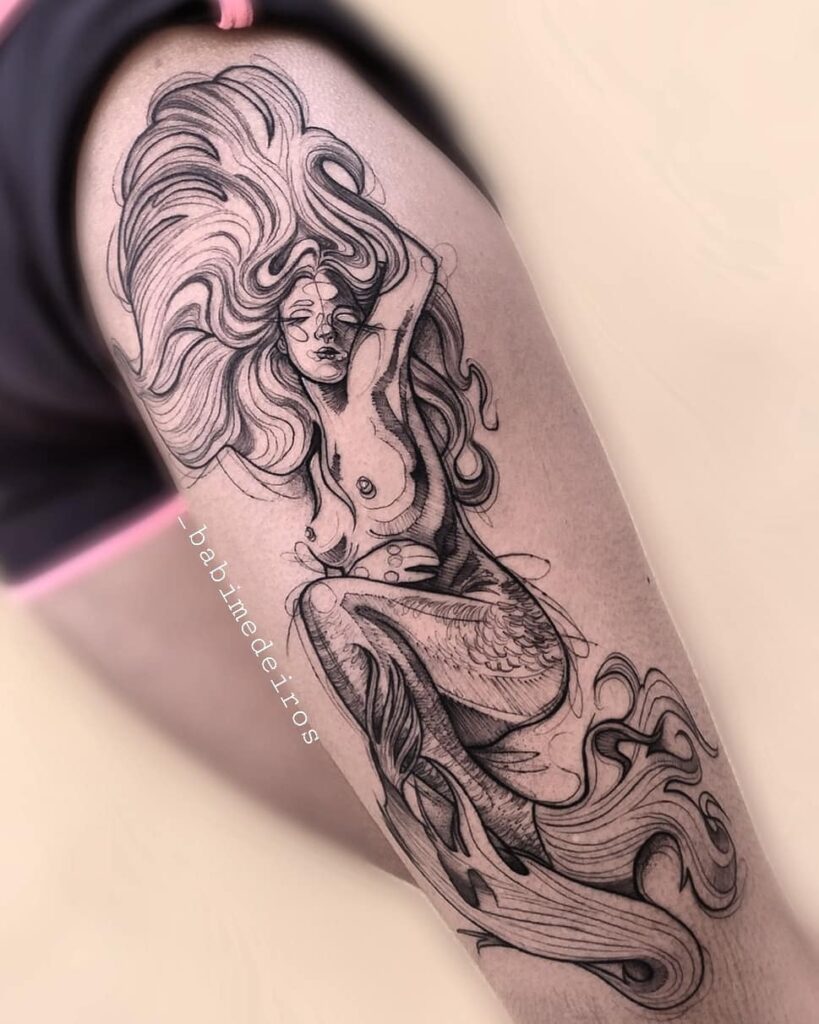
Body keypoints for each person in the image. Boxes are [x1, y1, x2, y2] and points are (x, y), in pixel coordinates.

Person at [2, 2, 817, 1021]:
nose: (317, 332)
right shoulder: (298, 417)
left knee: (700, 998)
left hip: (87, 64)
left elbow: (410, 281)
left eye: (327, 311)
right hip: (26, 429)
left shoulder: (371, 377)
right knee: (546, 907)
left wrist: (319, 216)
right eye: (294, 318)